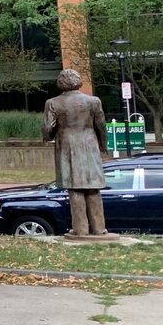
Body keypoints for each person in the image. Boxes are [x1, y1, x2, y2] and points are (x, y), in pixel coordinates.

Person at [42, 68, 114, 238]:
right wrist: (104, 144)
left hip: (67, 146)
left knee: (75, 189)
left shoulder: (53, 103)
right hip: (90, 144)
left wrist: (49, 135)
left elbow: (47, 128)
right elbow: (101, 125)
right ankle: (99, 228)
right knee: (93, 188)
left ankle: (80, 229)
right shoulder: (93, 101)